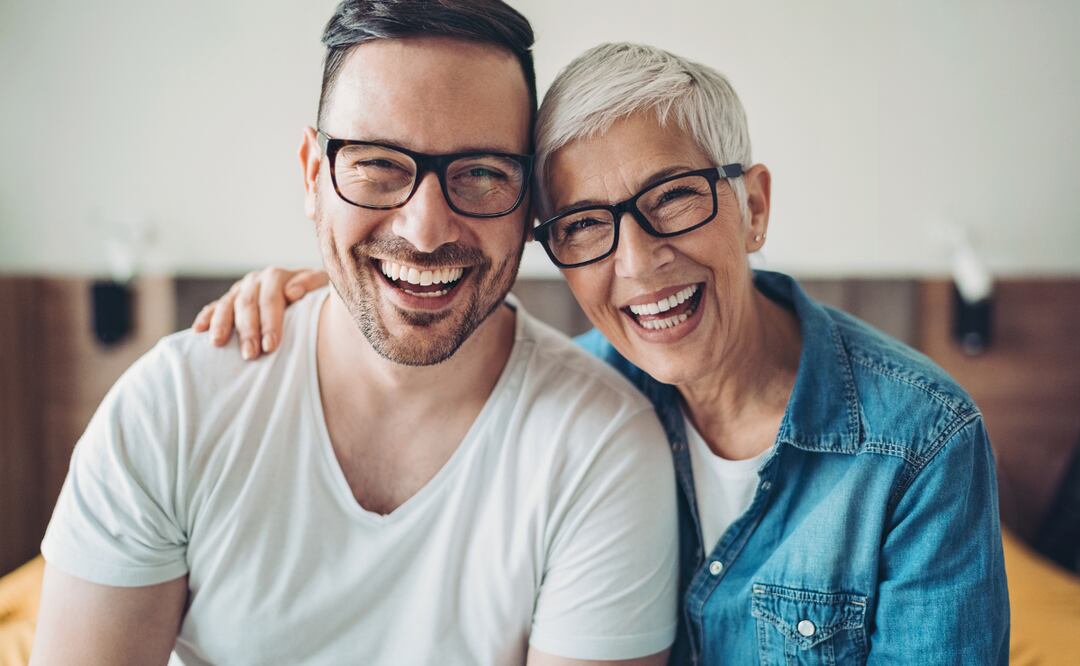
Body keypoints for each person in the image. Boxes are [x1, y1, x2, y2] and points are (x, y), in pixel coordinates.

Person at [208, 42, 1011, 664]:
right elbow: (436, 335)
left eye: (673, 198)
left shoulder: (920, 444)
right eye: (585, 224)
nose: (638, 262)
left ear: (753, 206)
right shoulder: (575, 409)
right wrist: (325, 295)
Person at [31, 4, 681, 665]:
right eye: (377, 165)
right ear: (314, 174)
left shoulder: (602, 447)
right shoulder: (174, 406)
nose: (427, 230)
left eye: (482, 173)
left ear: (530, 203)